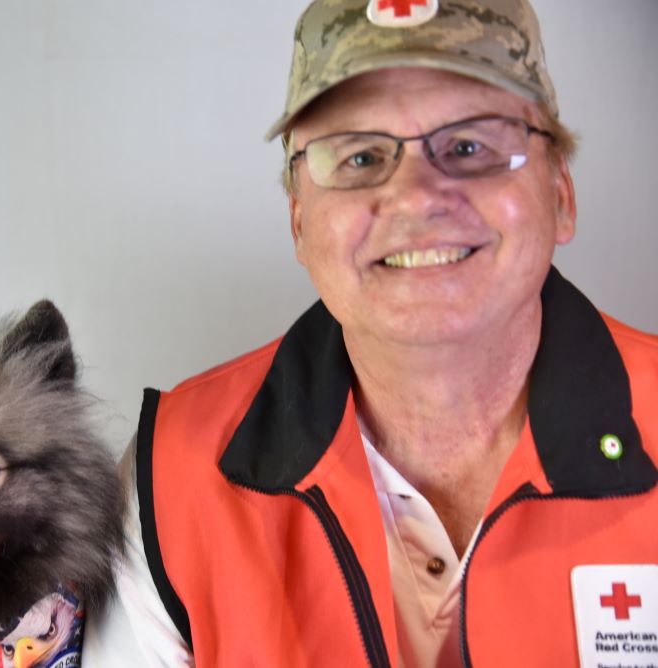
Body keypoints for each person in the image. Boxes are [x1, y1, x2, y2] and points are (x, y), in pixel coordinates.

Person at [84, 1, 658, 666]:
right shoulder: (168, 477)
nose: (416, 195)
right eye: (359, 157)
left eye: (470, 145)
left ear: (561, 193)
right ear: (299, 220)